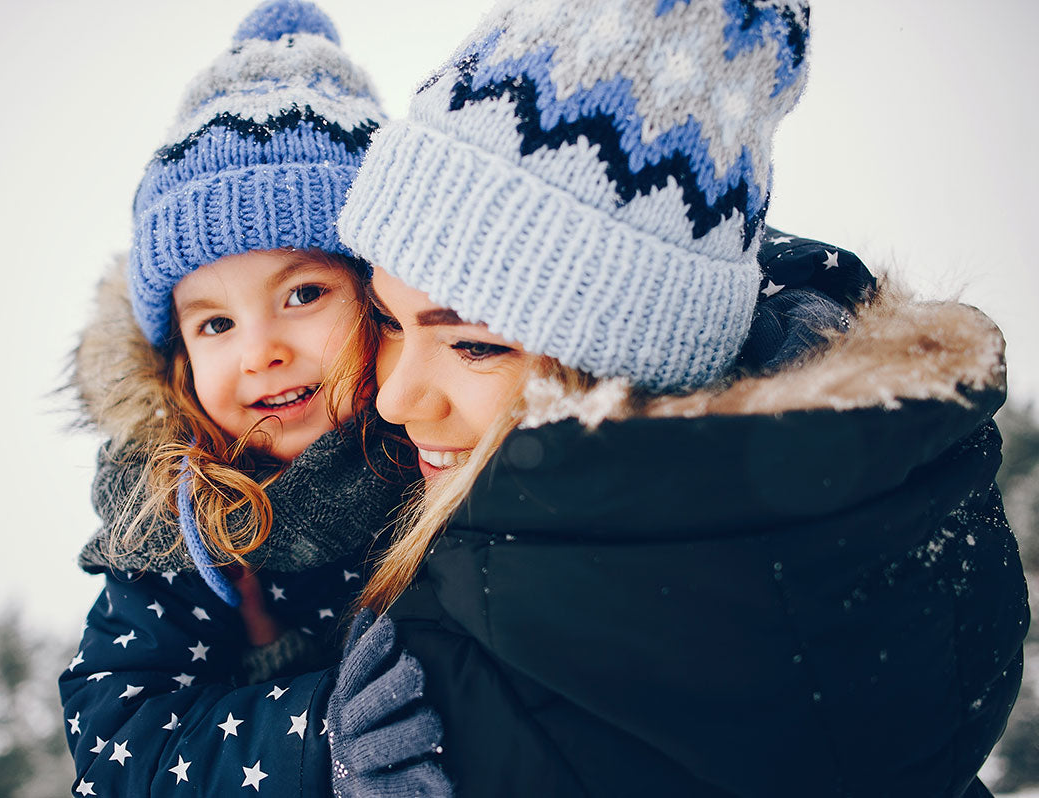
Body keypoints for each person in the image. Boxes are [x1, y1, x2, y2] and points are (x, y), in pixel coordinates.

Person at [335, 0, 1030, 795]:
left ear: (634, 357)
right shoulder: (877, 553)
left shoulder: (481, 698)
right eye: (388, 320)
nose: (394, 399)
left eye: (476, 344)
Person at [58, 3, 449, 795]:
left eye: (303, 293)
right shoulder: (181, 518)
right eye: (214, 322)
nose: (259, 349)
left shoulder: (450, 437)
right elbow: (115, 742)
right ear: (175, 355)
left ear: (383, 292)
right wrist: (314, 743)